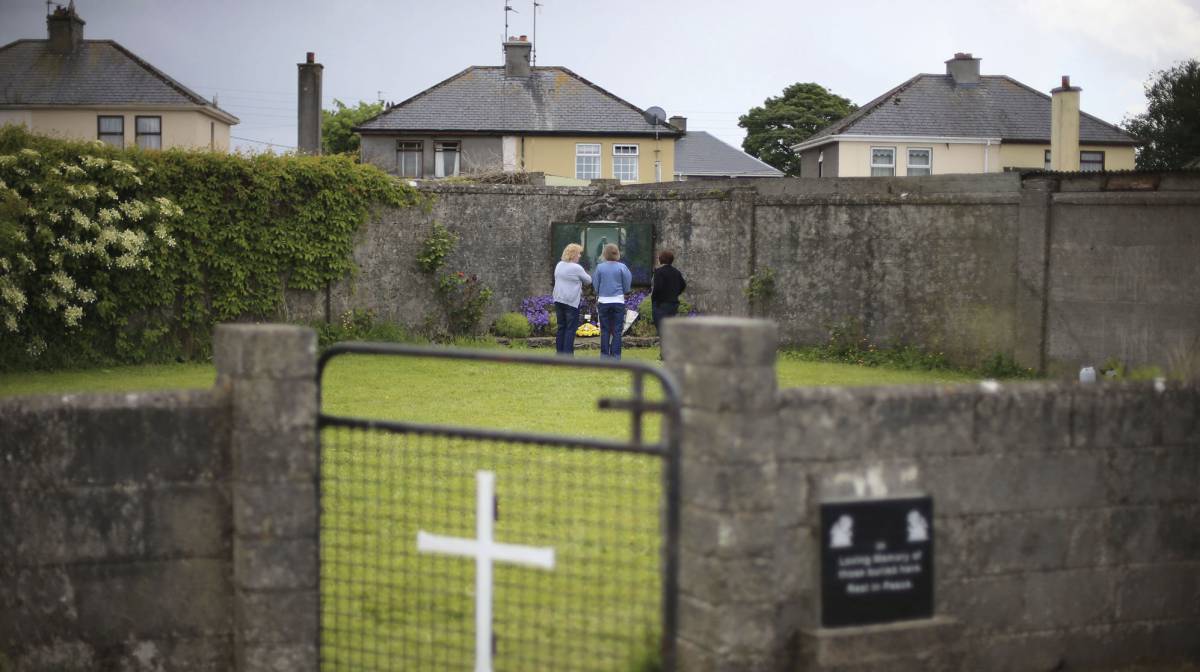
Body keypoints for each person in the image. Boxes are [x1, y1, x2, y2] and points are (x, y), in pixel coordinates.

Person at [594, 243, 632, 359]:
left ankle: (604, 356)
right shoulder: (622, 267)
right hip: (618, 301)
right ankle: (616, 357)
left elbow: (596, 283)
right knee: (617, 330)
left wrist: (599, 291)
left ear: (604, 254)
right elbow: (627, 282)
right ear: (617, 253)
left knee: (605, 330)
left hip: (603, 301)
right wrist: (624, 291)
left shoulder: (600, 267)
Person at [552, 243, 591, 356]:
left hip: (558, 299)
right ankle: (568, 356)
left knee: (561, 327)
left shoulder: (559, 265)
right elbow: (588, 280)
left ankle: (559, 355)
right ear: (573, 254)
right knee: (570, 329)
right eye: (578, 253)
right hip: (571, 302)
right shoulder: (576, 268)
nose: (580, 256)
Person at [650, 250, 687, 348]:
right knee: (669, 328)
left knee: (661, 329)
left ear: (660, 259)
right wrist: (675, 294)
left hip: (661, 304)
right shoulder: (676, 272)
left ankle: (665, 352)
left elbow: (657, 288)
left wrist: (654, 299)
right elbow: (683, 285)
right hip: (673, 304)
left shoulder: (659, 272)